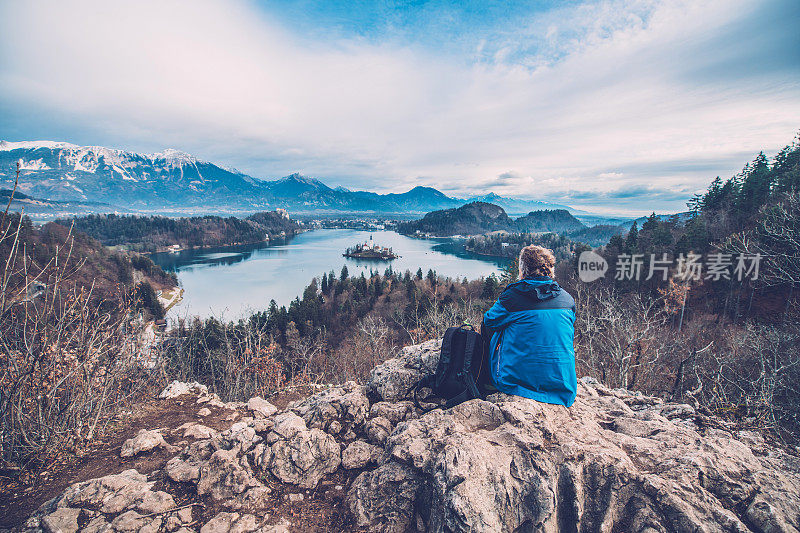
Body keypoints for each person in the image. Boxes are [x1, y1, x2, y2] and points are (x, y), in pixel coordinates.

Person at [482, 245, 577, 407]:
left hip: (516, 384)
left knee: (497, 325)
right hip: (564, 387)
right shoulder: (567, 299)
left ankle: (486, 377)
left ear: (523, 269)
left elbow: (489, 321)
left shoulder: (513, 296)